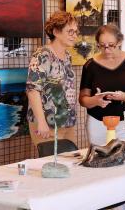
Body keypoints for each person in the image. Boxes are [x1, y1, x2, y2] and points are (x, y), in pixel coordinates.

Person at [79, 24, 125, 145]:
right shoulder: (90, 65)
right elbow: (83, 100)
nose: (106, 50)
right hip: (98, 123)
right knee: (100, 158)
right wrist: (95, 101)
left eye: (111, 45)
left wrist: (124, 96)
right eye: (102, 46)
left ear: (120, 41)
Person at [26, 11, 78, 147]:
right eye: (70, 31)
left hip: (67, 122)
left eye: (76, 32)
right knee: (50, 164)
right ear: (56, 31)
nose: (75, 36)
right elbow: (32, 90)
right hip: (47, 123)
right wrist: (41, 122)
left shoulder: (67, 56)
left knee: (70, 164)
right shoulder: (42, 55)